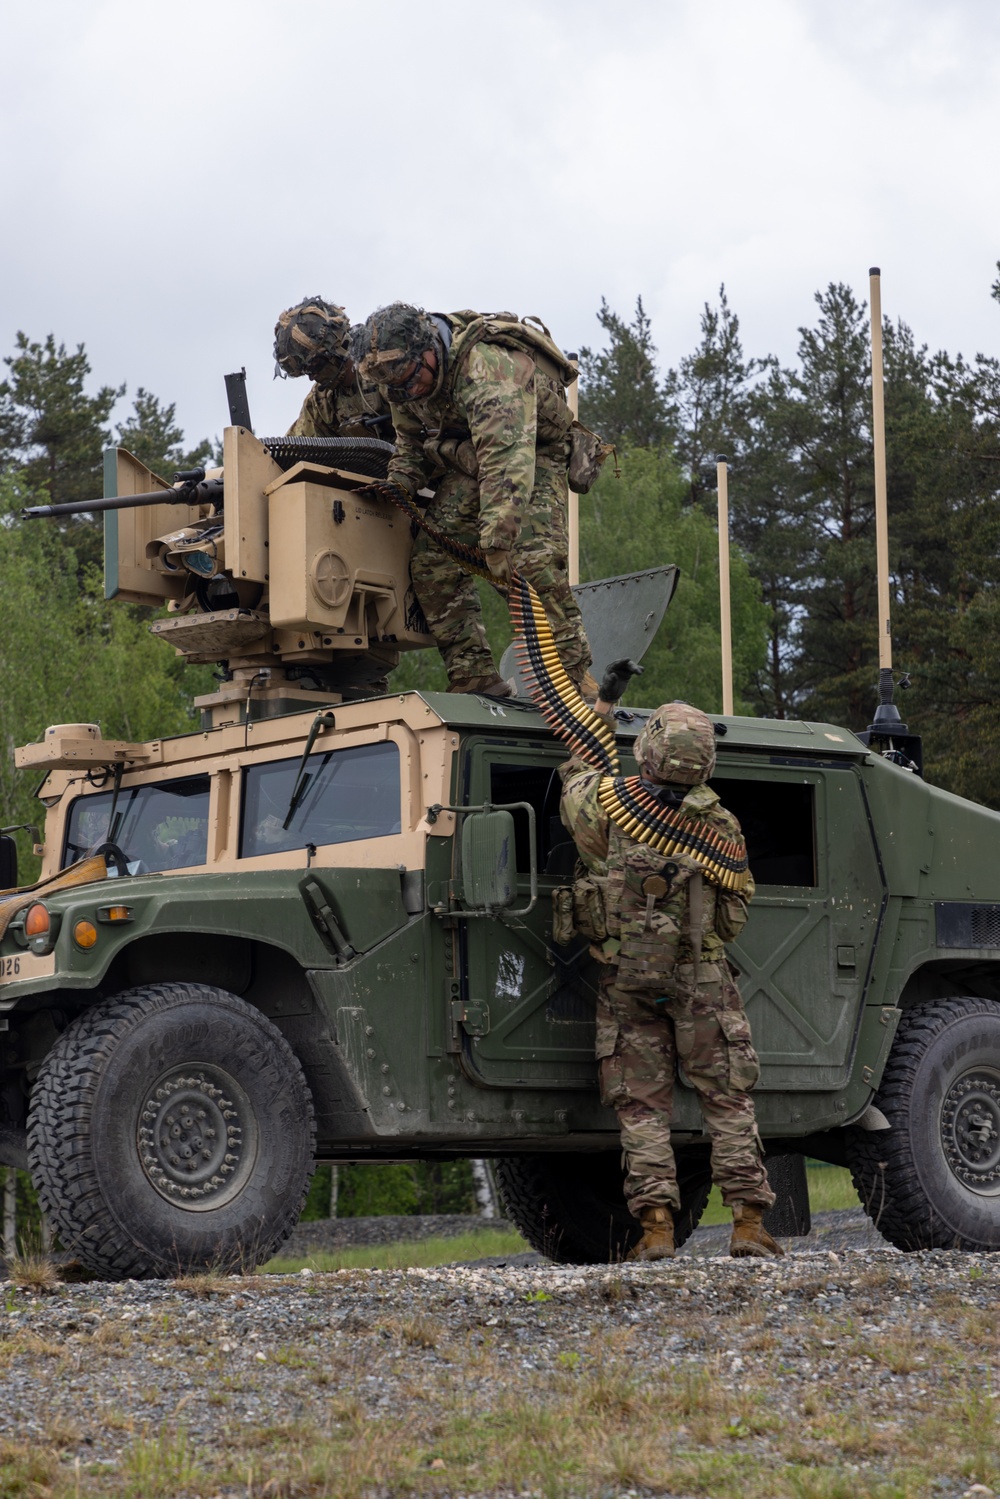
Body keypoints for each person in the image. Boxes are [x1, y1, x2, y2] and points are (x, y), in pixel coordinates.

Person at [558, 660, 782, 1261]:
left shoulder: (606, 808)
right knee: (727, 1098)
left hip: (627, 978)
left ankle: (657, 1230)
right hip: (704, 979)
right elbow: (735, 913)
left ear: (649, 754)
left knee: (641, 1106)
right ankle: (748, 1225)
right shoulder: (723, 825)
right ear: (705, 764)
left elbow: (577, 780)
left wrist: (597, 718)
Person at [351, 303, 598, 699]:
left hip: (534, 448)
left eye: (410, 380)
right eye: (394, 388)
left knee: (531, 563)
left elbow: (507, 462)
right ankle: (473, 674)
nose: (404, 392)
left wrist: (497, 542)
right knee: (432, 562)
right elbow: (412, 442)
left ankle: (572, 679)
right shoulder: (399, 377)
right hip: (473, 454)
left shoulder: (486, 370)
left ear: (429, 350)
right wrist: (400, 483)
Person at [273, 297, 393, 441]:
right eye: (307, 372)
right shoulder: (321, 402)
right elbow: (295, 444)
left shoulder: (383, 369)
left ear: (339, 347)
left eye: (316, 366)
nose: (313, 377)